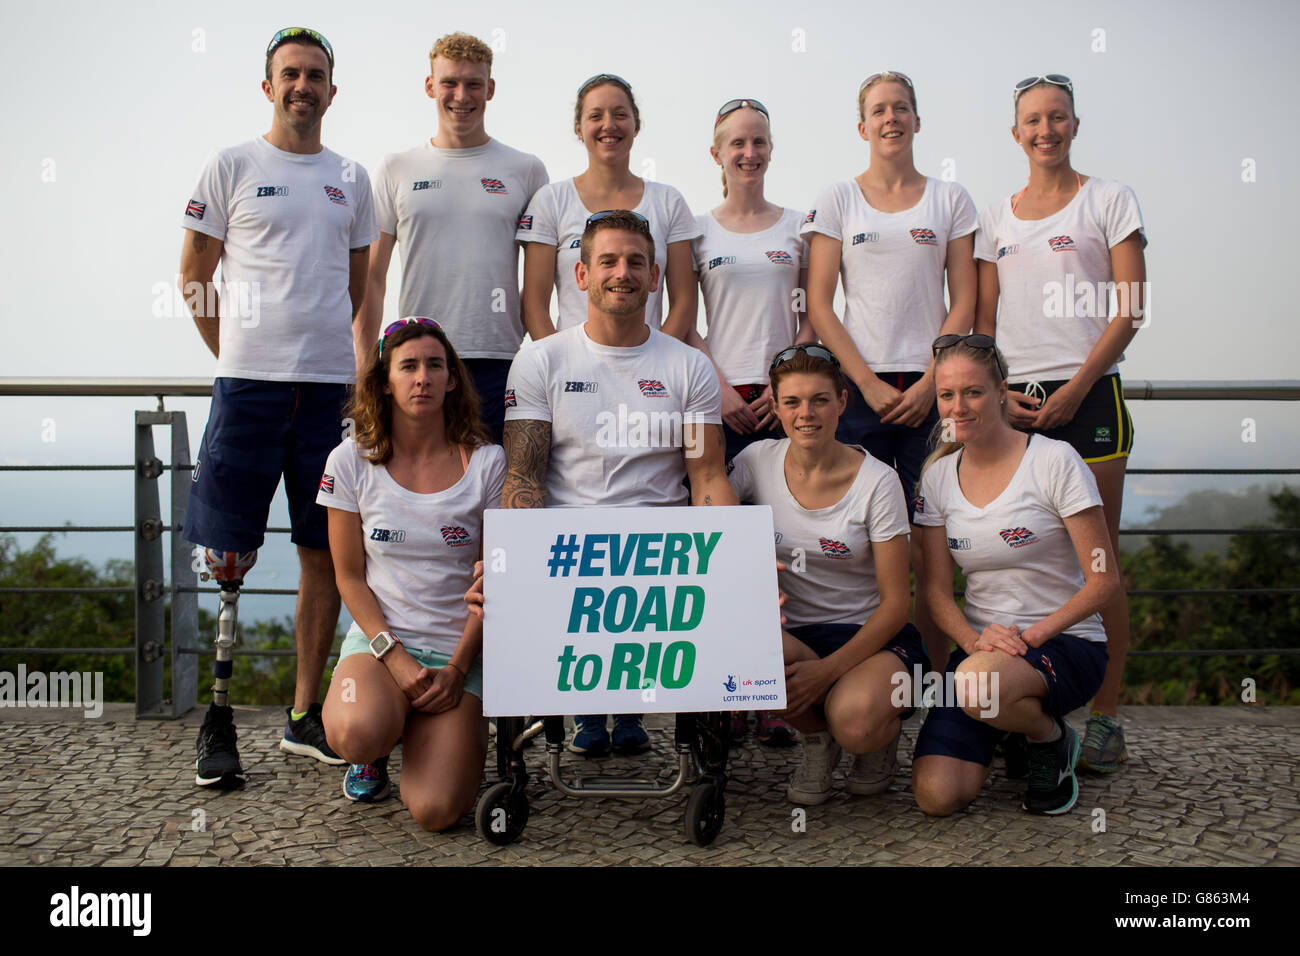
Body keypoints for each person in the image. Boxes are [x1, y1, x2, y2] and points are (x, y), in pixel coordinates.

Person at [180, 27, 376, 788]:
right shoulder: (231, 164)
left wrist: (321, 353)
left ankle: (303, 717)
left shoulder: (350, 177)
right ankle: (218, 717)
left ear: (333, 90)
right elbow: (195, 274)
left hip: (328, 392)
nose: (303, 85)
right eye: (290, 73)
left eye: (316, 75)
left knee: (322, 551)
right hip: (247, 388)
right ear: (268, 86)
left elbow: (356, 287)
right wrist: (237, 354)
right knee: (228, 555)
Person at [503, 209, 735, 756]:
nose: (622, 273)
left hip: (662, 554)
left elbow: (706, 477)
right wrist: (508, 562)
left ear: (656, 276)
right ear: (581, 275)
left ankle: (631, 706)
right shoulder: (540, 361)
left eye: (636, 262)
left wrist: (734, 549)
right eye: (607, 261)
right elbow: (524, 480)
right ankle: (589, 708)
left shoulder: (689, 366)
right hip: (568, 550)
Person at [973, 74, 1146, 772]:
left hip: (1091, 400)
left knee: (1096, 562)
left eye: (1057, 118)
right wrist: (1000, 393)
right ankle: (1021, 699)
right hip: (1012, 405)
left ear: (1075, 125)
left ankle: (1104, 716)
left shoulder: (1109, 199)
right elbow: (984, 321)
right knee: (1019, 553)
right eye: (1032, 121)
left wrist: (1077, 387)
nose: (1045, 130)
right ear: (1015, 134)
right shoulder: (996, 217)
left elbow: (1129, 309)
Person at [801, 71, 977, 674]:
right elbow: (820, 304)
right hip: (858, 394)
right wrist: (869, 385)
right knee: (857, 548)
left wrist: (932, 381)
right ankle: (862, 675)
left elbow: (964, 302)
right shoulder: (837, 200)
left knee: (933, 550)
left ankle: (934, 686)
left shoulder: (950, 199)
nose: (891, 119)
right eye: (879, 110)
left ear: (917, 121)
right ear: (862, 126)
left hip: (934, 394)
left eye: (901, 108)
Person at [911, 334, 1121, 816]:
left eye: (973, 392)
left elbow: (1103, 580)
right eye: (946, 395)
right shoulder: (939, 477)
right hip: (982, 652)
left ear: (1002, 391)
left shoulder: (1054, 459)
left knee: (978, 685)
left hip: (1066, 641)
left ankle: (1051, 738)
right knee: (937, 797)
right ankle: (1013, 723)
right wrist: (975, 642)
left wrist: (1026, 639)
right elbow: (937, 593)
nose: (958, 407)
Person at [318, 318, 503, 827]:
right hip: (380, 650)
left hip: (457, 655)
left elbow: (497, 580)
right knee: (356, 730)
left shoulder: (488, 463)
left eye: (434, 366)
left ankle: (425, 729)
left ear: (451, 380)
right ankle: (376, 744)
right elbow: (349, 578)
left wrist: (459, 668)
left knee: (436, 812)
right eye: (408, 366)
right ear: (384, 382)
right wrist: (394, 659)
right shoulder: (350, 461)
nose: (422, 377)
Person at [728, 344, 921, 802]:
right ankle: (817, 741)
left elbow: (897, 604)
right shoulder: (756, 460)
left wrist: (827, 671)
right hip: (795, 634)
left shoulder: (879, 481)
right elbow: (707, 512)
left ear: (842, 402)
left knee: (855, 722)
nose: (806, 414)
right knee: (735, 645)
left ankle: (872, 732)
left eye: (819, 400)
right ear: (775, 407)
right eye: (792, 402)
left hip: (872, 638)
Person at [361, 32, 549, 444]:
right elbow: (372, 279)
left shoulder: (526, 169)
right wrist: (365, 366)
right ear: (430, 86)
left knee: (496, 495)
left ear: (490, 89)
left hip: (499, 360)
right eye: (449, 82)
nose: (461, 95)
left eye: (473, 84)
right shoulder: (396, 168)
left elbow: (538, 288)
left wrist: (553, 362)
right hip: (418, 360)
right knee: (422, 492)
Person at [693, 97, 811, 746]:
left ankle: (775, 699)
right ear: (716, 154)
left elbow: (815, 313)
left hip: (785, 406)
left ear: (771, 148)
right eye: (736, 143)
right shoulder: (696, 229)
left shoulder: (799, 225)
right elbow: (684, 320)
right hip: (718, 409)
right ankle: (724, 697)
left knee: (781, 552)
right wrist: (716, 386)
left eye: (759, 142)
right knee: (724, 554)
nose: (748, 153)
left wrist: (781, 382)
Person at [517, 73, 699, 338]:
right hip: (572, 371)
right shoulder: (550, 200)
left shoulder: (669, 202)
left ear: (636, 125)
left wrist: (656, 363)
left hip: (649, 373)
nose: (609, 125)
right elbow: (534, 304)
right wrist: (558, 365)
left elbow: (683, 303)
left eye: (620, 114)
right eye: (595, 116)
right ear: (579, 129)